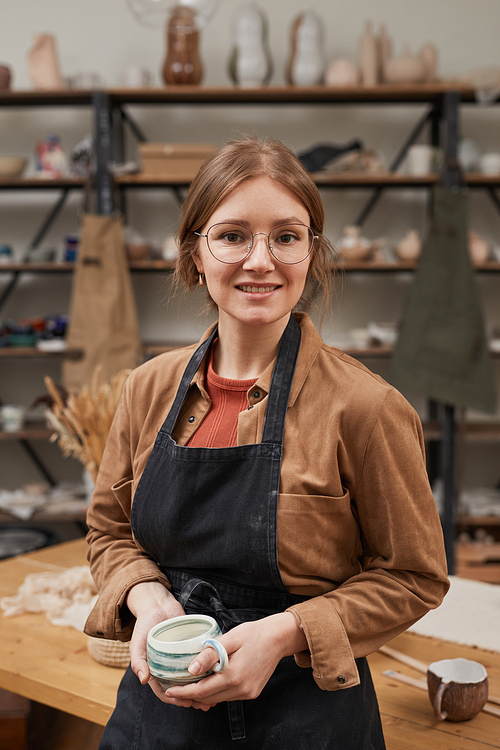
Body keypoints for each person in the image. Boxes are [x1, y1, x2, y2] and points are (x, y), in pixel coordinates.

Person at [84, 136, 449, 749]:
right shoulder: (147, 390)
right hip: (163, 714)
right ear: (196, 254)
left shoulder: (367, 408)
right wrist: (147, 599)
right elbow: (108, 532)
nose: (261, 260)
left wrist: (284, 634)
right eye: (231, 236)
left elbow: (413, 577)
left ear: (311, 253)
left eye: (286, 236)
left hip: (309, 714)